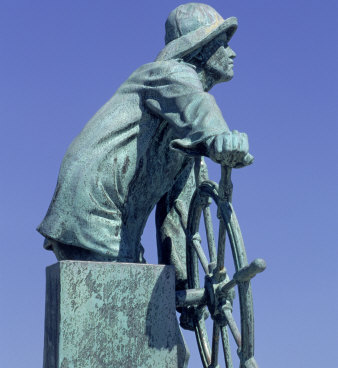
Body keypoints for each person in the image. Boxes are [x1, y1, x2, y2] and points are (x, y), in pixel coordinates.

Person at [37, 3, 253, 289]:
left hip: (114, 225)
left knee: (145, 318)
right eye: (223, 44)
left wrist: (184, 286)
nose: (231, 52)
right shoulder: (168, 74)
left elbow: (177, 212)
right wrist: (219, 137)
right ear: (201, 48)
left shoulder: (184, 136)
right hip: (92, 213)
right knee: (129, 313)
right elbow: (200, 107)